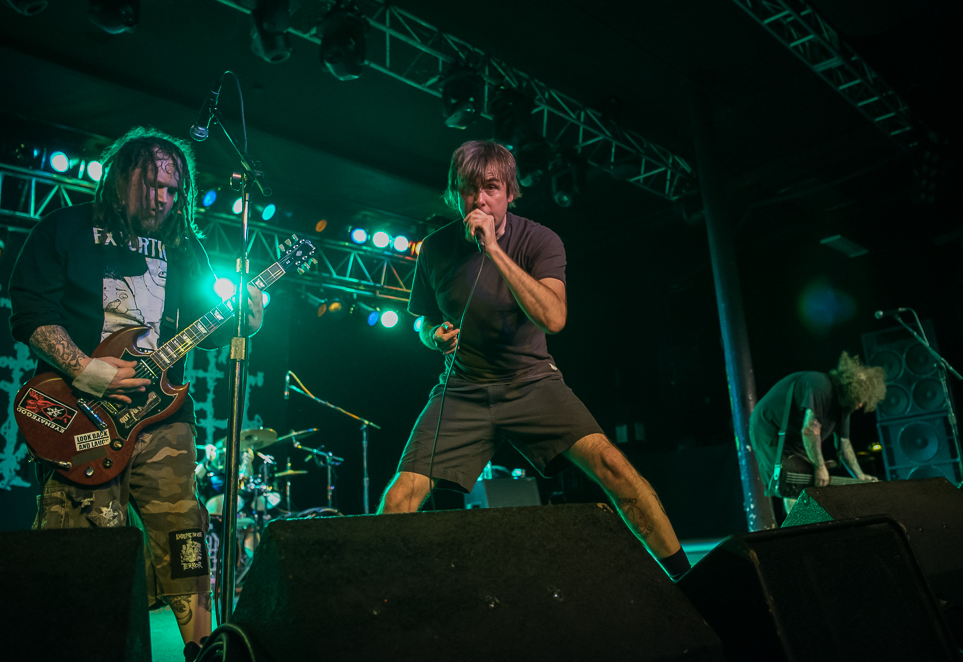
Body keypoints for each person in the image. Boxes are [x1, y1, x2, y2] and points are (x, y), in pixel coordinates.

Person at [377, 139, 691, 580]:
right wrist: (433, 335)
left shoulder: (540, 240)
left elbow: (554, 318)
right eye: (469, 189)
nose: (479, 200)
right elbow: (422, 321)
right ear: (454, 194)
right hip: (462, 390)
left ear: (510, 192)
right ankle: (375, 594)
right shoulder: (434, 249)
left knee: (613, 466)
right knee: (399, 497)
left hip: (531, 383)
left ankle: (686, 578)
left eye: (490, 188)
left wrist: (494, 251)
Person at [9, 127, 263, 662]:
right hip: (82, 415)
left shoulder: (184, 245)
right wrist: (83, 367)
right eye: (152, 186)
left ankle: (204, 656)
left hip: (163, 419)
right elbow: (29, 310)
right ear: (121, 177)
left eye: (174, 190)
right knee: (85, 544)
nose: (164, 200)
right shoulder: (66, 227)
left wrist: (247, 318)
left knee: (184, 539)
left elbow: (208, 323)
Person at [749, 352, 887, 515]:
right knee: (793, 480)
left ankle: (806, 525)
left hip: (794, 435)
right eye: (860, 400)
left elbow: (844, 443)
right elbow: (809, 430)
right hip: (769, 426)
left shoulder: (845, 406)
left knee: (804, 479)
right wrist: (820, 466)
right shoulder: (820, 387)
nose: (861, 404)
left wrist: (860, 475)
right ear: (850, 390)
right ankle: (800, 529)